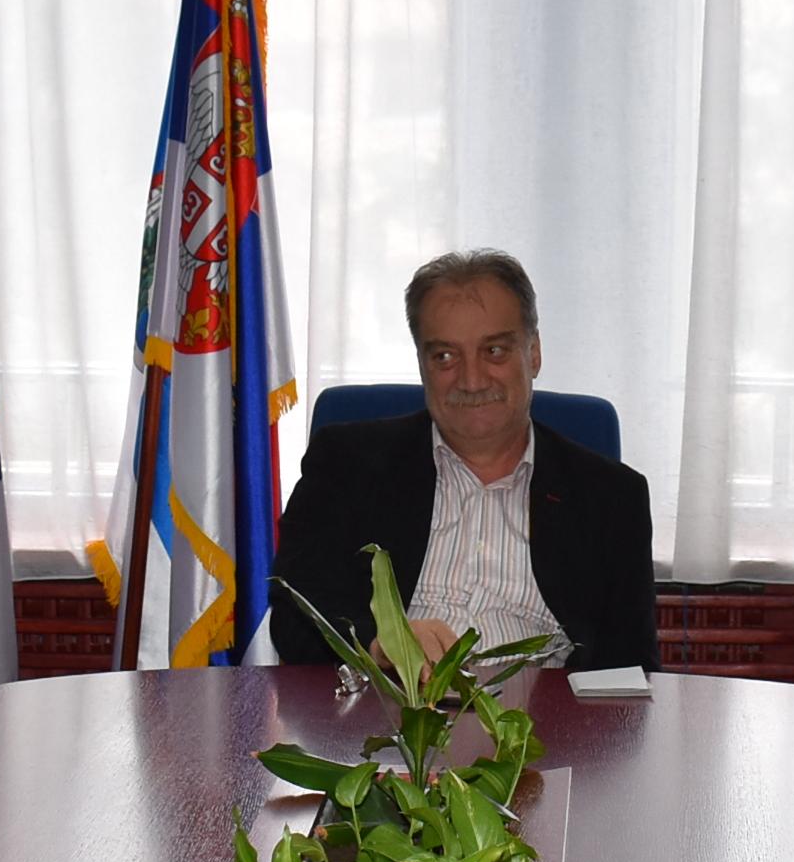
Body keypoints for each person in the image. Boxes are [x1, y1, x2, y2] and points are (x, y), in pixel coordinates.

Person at [269, 249, 657, 673]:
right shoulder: (346, 464)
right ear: (422, 364)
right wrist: (381, 645)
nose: (471, 381)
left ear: (533, 353)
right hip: (386, 704)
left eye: (494, 350)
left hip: (540, 710)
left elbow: (629, 671)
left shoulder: (611, 497)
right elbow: (296, 619)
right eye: (445, 357)